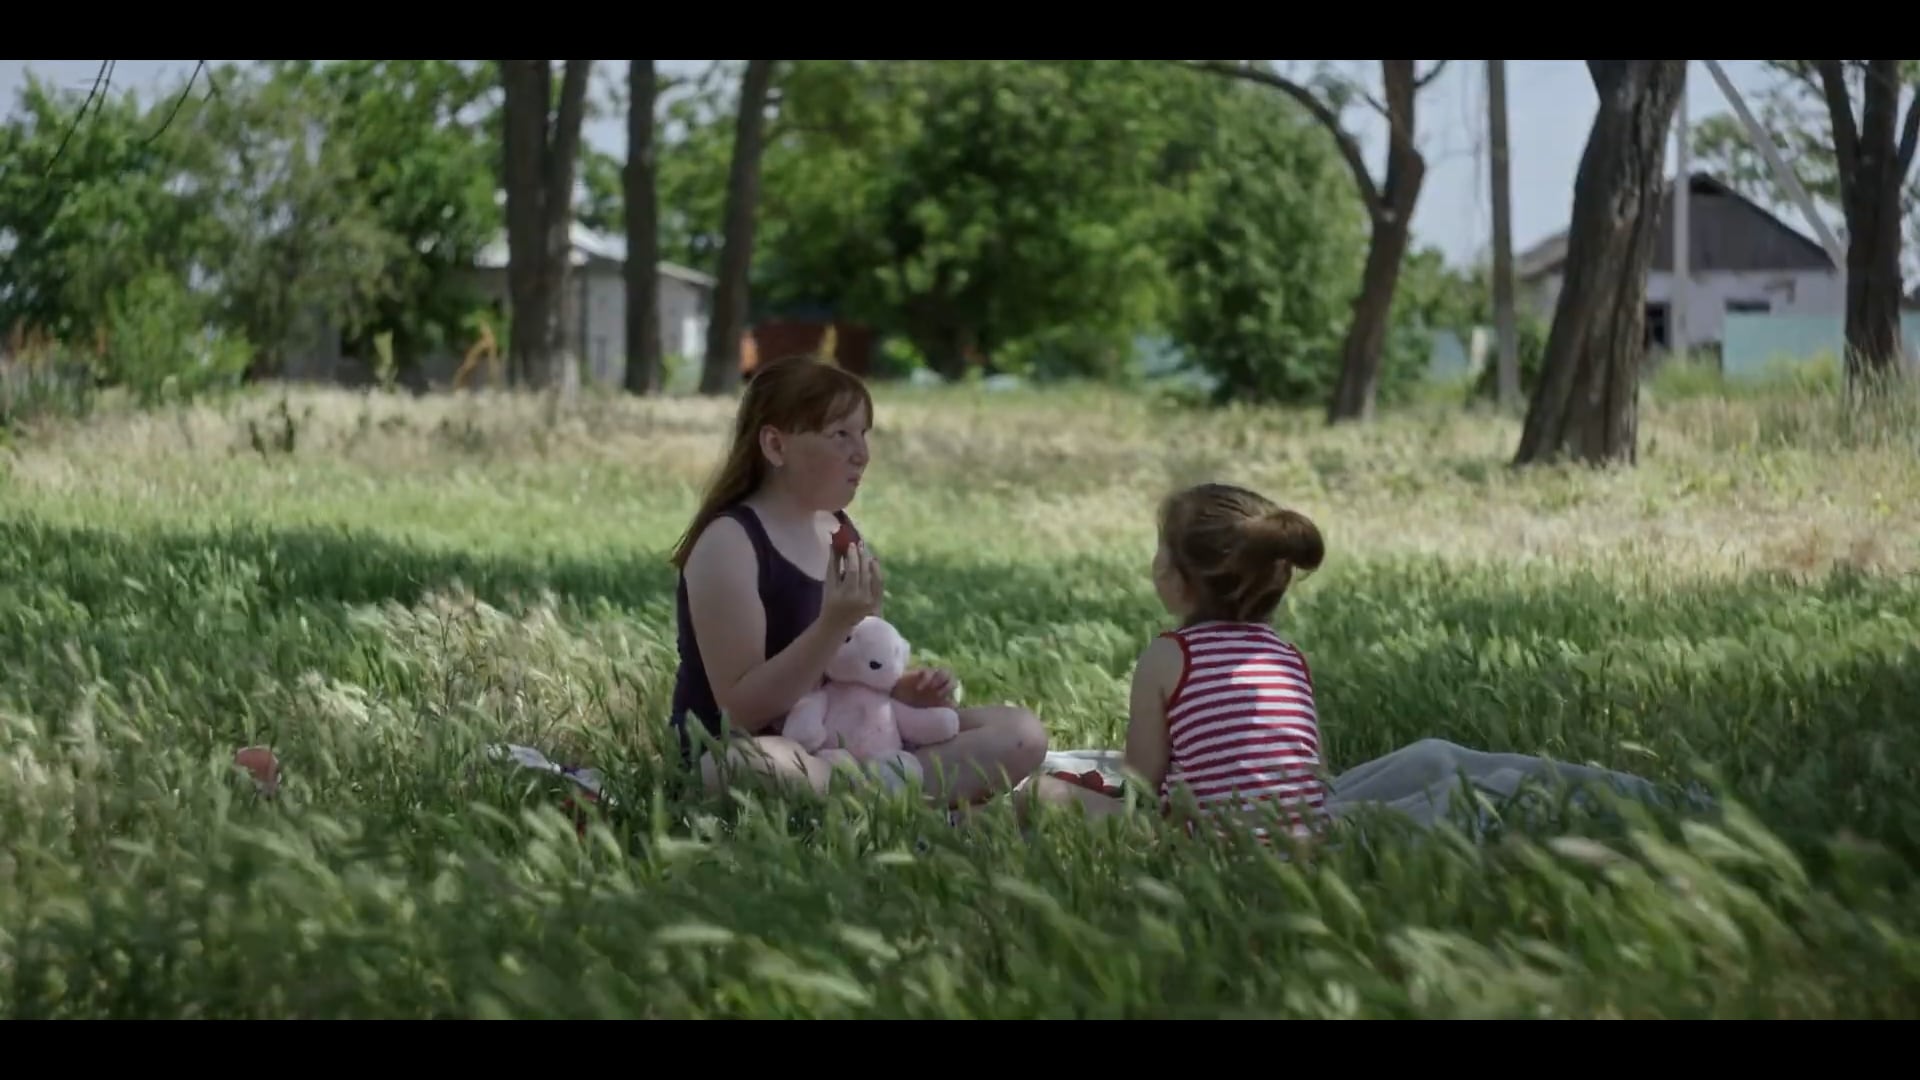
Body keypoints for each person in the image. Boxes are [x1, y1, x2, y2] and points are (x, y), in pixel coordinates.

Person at [668, 353, 1049, 810]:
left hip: (846, 748)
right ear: (775, 446)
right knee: (746, 766)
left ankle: (872, 799)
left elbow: (855, 667)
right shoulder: (730, 543)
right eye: (840, 435)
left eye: (863, 434)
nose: (861, 454)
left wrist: (903, 688)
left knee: (1021, 733)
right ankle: (906, 799)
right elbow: (742, 712)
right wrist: (831, 626)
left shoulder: (840, 532)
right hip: (757, 748)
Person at [1020, 482, 1332, 842]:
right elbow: (1317, 775)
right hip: (1307, 843)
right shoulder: (1290, 659)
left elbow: (1142, 779)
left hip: (1203, 845)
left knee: (1039, 793)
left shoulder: (1170, 656)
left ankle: (964, 827)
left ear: (1177, 578)